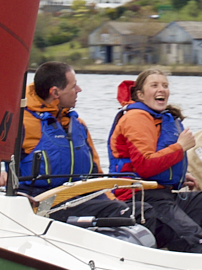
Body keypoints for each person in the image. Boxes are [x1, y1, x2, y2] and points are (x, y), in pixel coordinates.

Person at [108, 68, 202, 255]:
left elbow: (155, 161)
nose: (162, 89)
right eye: (155, 85)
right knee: (194, 239)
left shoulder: (157, 118)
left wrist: (180, 176)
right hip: (142, 200)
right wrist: (180, 147)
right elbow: (145, 165)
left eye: (165, 85)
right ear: (140, 94)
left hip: (166, 197)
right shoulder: (136, 118)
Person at [17, 62, 154, 234]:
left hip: (79, 200)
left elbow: (96, 173)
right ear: (55, 92)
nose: (79, 90)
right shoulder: (21, 122)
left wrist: (113, 200)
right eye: (73, 86)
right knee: (122, 213)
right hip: (41, 206)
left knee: (141, 211)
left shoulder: (79, 125)